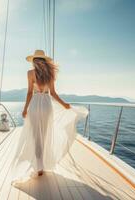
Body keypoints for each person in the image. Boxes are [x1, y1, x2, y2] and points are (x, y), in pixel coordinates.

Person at [10, 50, 88, 182]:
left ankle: (38, 166)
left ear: (34, 60)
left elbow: (29, 92)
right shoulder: (50, 74)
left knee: (36, 136)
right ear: (45, 61)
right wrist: (64, 104)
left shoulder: (30, 73)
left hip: (35, 104)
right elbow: (53, 93)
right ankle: (42, 165)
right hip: (46, 105)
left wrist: (25, 109)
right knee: (44, 135)